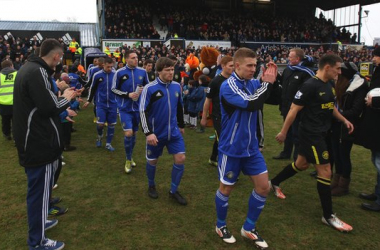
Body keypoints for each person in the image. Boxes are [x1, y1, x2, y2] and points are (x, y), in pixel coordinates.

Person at [270, 54, 354, 232]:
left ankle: (274, 182)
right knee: (325, 171)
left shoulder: (329, 85)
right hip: (311, 134)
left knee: (301, 164)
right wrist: (284, 132)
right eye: (337, 68)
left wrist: (344, 120)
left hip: (321, 133)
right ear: (327, 67)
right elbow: (293, 109)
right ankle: (328, 216)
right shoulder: (309, 85)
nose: (340, 72)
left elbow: (330, 108)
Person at [13, 38, 76, 250]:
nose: (59, 63)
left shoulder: (30, 68)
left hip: (34, 141)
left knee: (40, 193)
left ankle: (40, 225)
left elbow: (39, 107)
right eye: (60, 58)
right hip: (38, 144)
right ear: (57, 56)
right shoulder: (36, 71)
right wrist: (67, 97)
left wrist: (61, 107)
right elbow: (48, 106)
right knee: (39, 195)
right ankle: (37, 242)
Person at [214, 48, 277, 249]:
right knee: (226, 189)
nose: (253, 68)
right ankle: (220, 225)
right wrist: (266, 83)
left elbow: (271, 97)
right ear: (237, 65)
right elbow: (252, 103)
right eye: (249, 65)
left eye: (255, 65)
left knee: (263, 187)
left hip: (251, 149)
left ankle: (248, 228)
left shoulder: (252, 83)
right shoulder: (227, 86)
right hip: (231, 148)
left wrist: (273, 77)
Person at [139, 57, 187, 205]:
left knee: (181, 159)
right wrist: (148, 133)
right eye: (167, 70)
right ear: (159, 71)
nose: (171, 72)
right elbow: (142, 111)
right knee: (152, 161)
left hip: (173, 132)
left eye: (172, 69)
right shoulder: (150, 88)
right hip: (156, 134)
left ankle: (173, 191)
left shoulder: (176, 86)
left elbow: (179, 107)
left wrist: (181, 125)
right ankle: (151, 185)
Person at [330, 62, 368, 196]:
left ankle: (343, 185)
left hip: (348, 126)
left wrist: (336, 115)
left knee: (344, 155)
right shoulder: (341, 85)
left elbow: (355, 110)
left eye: (341, 71)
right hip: (337, 125)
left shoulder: (359, 87)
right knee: (336, 154)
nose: (338, 73)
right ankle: (336, 180)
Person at [273, 49, 315, 161]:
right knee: (287, 130)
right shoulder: (288, 69)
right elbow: (282, 83)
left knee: (297, 133)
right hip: (286, 106)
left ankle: (298, 156)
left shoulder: (306, 72)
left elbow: (308, 91)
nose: (288, 58)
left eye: (290, 57)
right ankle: (286, 152)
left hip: (298, 109)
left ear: (297, 59)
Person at [112, 50, 149, 173]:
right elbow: (113, 89)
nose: (136, 59)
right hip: (124, 108)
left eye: (137, 57)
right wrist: (127, 94)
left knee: (133, 134)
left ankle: (130, 155)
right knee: (128, 133)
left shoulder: (143, 72)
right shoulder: (119, 72)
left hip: (138, 109)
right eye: (133, 57)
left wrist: (143, 91)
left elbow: (148, 87)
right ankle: (128, 159)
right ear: (126, 59)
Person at [356, 46, 380, 212]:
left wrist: (375, 102)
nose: (373, 59)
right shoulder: (377, 71)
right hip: (375, 124)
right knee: (376, 160)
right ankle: (377, 193)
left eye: (376, 56)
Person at [200, 55, 234, 166]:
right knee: (224, 141)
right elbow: (207, 101)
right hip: (218, 116)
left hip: (231, 115)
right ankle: (226, 167)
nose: (233, 68)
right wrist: (204, 117)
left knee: (222, 138)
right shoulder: (215, 81)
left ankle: (213, 158)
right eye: (230, 66)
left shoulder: (234, 79)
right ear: (223, 66)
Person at [84, 57, 117, 151]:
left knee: (111, 124)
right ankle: (100, 136)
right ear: (104, 65)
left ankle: (108, 143)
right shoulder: (97, 75)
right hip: (100, 104)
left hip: (112, 104)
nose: (110, 69)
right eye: (108, 67)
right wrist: (89, 100)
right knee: (100, 124)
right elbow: (93, 88)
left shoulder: (115, 75)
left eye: (111, 67)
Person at [0, 59, 17, 140]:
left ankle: (6, 134)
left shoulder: (0, 76)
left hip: (3, 103)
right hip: (15, 102)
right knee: (16, 121)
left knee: (5, 120)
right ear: (11, 66)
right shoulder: (17, 74)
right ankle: (15, 136)